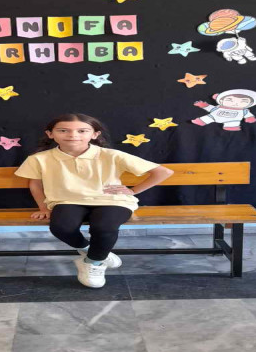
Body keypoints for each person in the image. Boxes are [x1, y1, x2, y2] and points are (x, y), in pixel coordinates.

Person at [14, 113, 174, 289]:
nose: (73, 135)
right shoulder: (39, 158)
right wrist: (43, 208)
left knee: (104, 227)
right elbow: (35, 184)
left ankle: (93, 263)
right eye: (63, 130)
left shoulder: (111, 155)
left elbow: (163, 172)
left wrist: (133, 191)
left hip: (112, 200)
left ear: (95, 134)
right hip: (67, 201)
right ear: (50, 134)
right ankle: (93, 251)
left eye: (82, 131)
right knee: (61, 227)